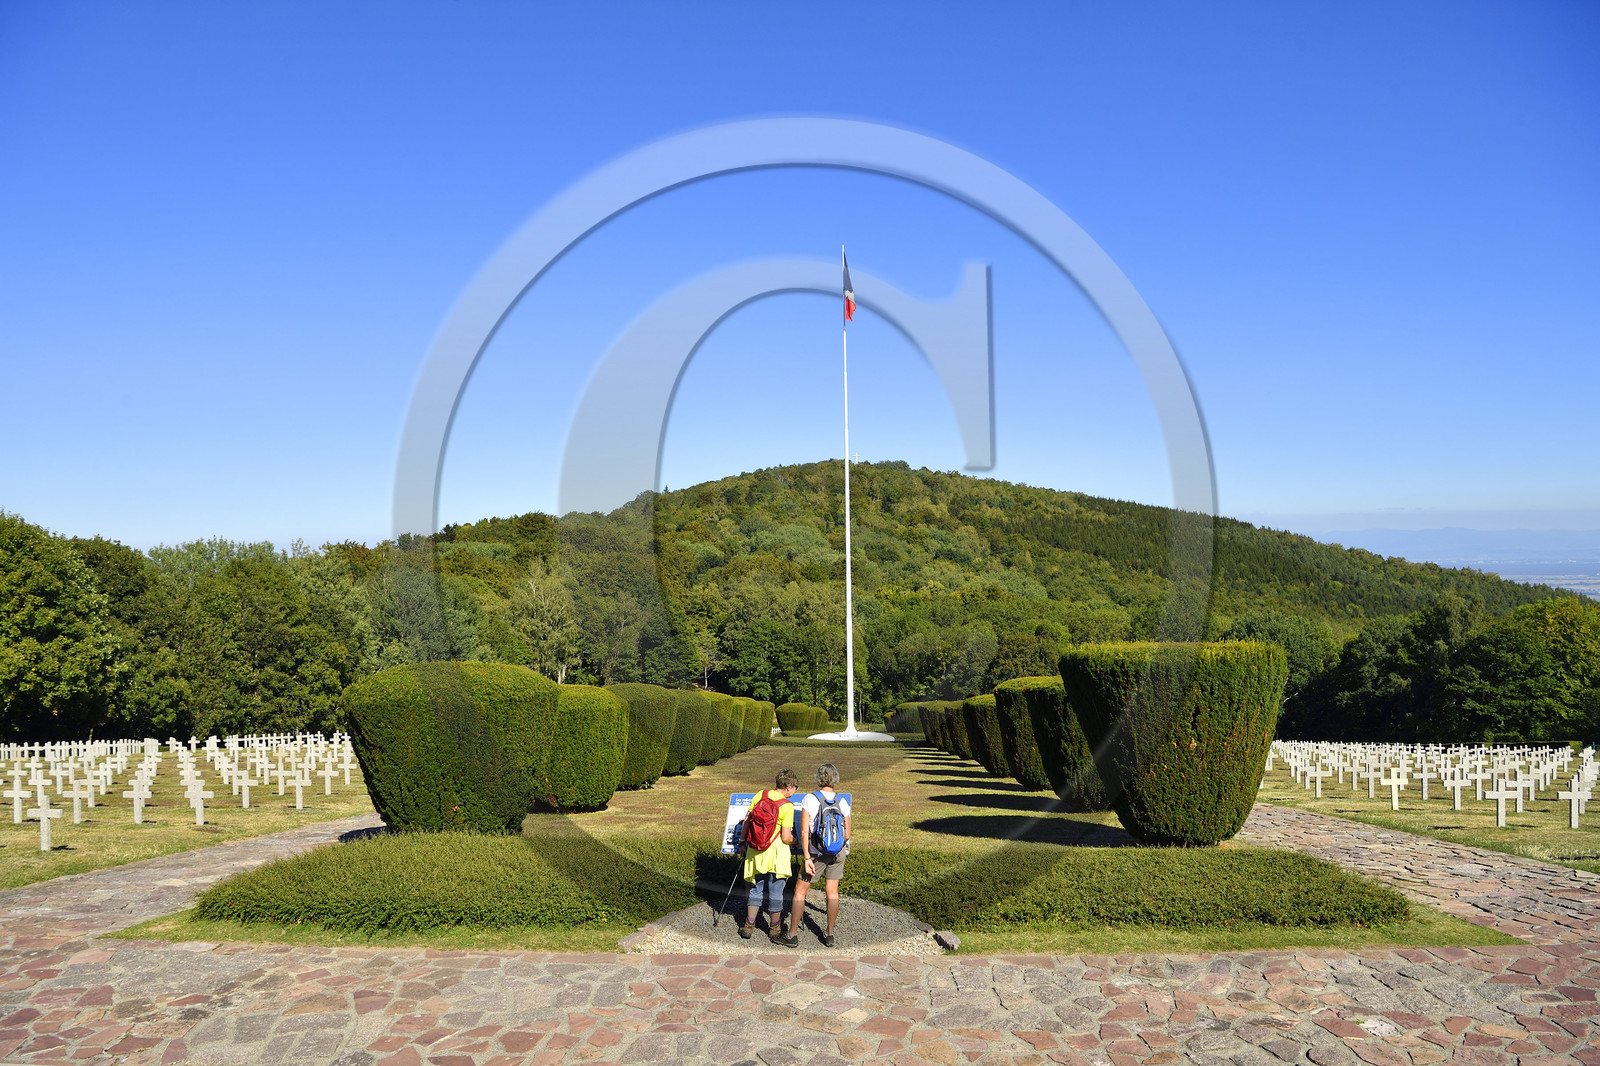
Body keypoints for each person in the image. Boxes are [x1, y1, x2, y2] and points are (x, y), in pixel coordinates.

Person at [784, 762, 851, 948]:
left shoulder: (810, 799)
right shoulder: (842, 801)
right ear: (835, 778)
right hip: (837, 853)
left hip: (815, 854)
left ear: (819, 778)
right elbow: (847, 834)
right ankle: (829, 933)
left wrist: (806, 857)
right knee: (832, 892)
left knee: (800, 892)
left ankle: (792, 935)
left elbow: (804, 832)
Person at [740, 768, 799, 943]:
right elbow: (786, 837)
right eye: (796, 787)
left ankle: (748, 927)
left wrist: (742, 842)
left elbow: (747, 821)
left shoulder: (760, 795)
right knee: (775, 892)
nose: (796, 791)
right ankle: (774, 929)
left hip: (755, 852)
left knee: (755, 889)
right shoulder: (787, 806)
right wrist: (796, 843)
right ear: (788, 786)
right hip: (776, 855)